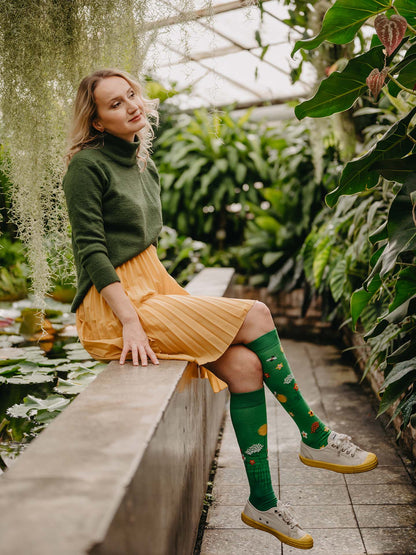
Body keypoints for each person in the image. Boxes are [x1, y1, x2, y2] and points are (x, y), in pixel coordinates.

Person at [63, 68, 378, 550]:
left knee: (247, 367)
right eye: (114, 103)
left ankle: (263, 503)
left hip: (153, 285)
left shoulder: (145, 163)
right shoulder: (87, 166)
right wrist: (129, 320)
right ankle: (314, 435)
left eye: (132, 95)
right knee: (256, 314)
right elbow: (92, 250)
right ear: (98, 121)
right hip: (114, 305)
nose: (131, 106)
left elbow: (141, 245)